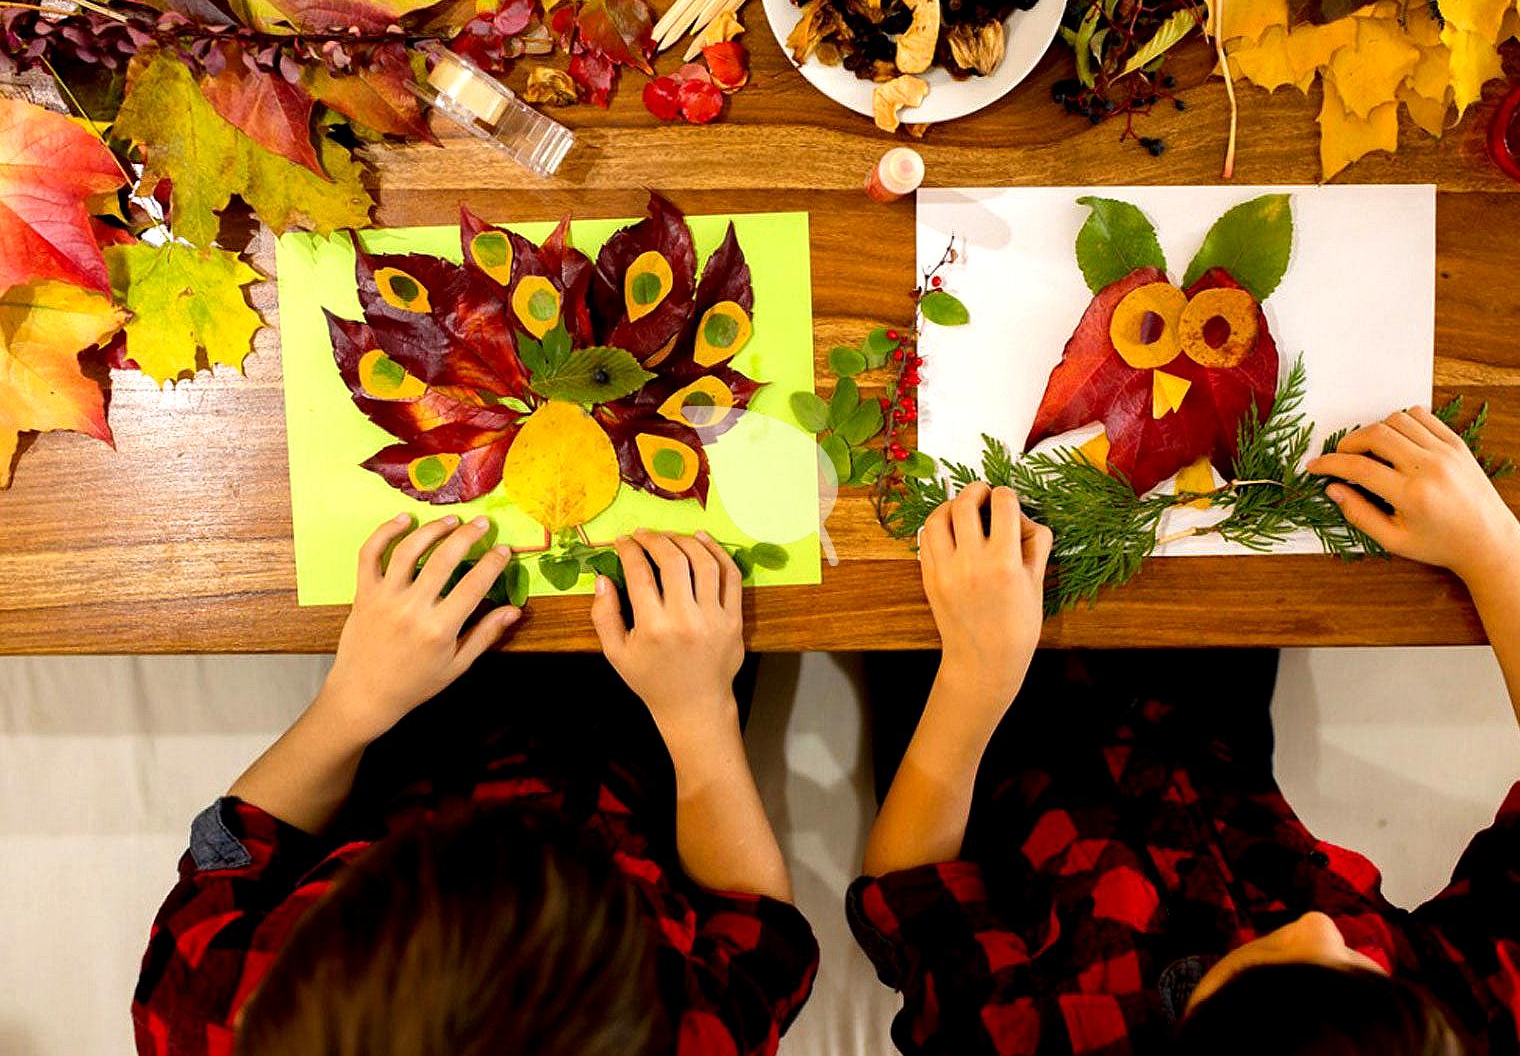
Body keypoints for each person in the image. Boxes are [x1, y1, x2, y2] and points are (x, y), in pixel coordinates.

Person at [848, 405, 1520, 1055]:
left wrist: (975, 677)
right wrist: (1495, 549)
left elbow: (911, 890)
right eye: (1357, 958)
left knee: (910, 518)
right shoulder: (1438, 1026)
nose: (1319, 926)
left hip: (976, 770)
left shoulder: (1026, 1041)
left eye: (1279, 968)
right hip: (1208, 742)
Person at [131, 518, 817, 1056]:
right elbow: (756, 922)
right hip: (652, 772)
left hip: (404, 743)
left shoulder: (205, 1010)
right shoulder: (688, 1037)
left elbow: (250, 840)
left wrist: (353, 702)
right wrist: (699, 717)